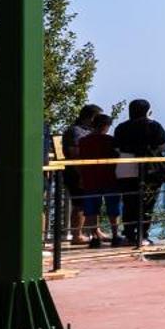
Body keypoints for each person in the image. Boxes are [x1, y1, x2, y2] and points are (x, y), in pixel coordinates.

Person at [113, 99, 165, 246]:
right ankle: (143, 235)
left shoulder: (122, 127)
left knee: (128, 202)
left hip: (126, 168)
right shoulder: (154, 126)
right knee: (147, 204)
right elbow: (163, 146)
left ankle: (129, 234)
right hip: (150, 170)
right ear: (147, 111)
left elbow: (117, 148)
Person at [70, 111, 121, 247]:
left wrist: (81, 176)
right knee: (113, 208)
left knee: (92, 209)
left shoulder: (83, 141)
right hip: (109, 178)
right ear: (106, 126)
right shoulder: (110, 141)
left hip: (90, 178)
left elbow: (80, 159)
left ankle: (94, 237)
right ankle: (115, 235)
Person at [60, 103, 104, 244]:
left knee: (93, 202)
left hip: (90, 171)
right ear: (92, 118)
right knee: (80, 203)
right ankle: (77, 235)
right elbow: (74, 154)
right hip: (76, 172)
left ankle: (95, 230)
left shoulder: (90, 131)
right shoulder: (76, 131)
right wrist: (81, 175)